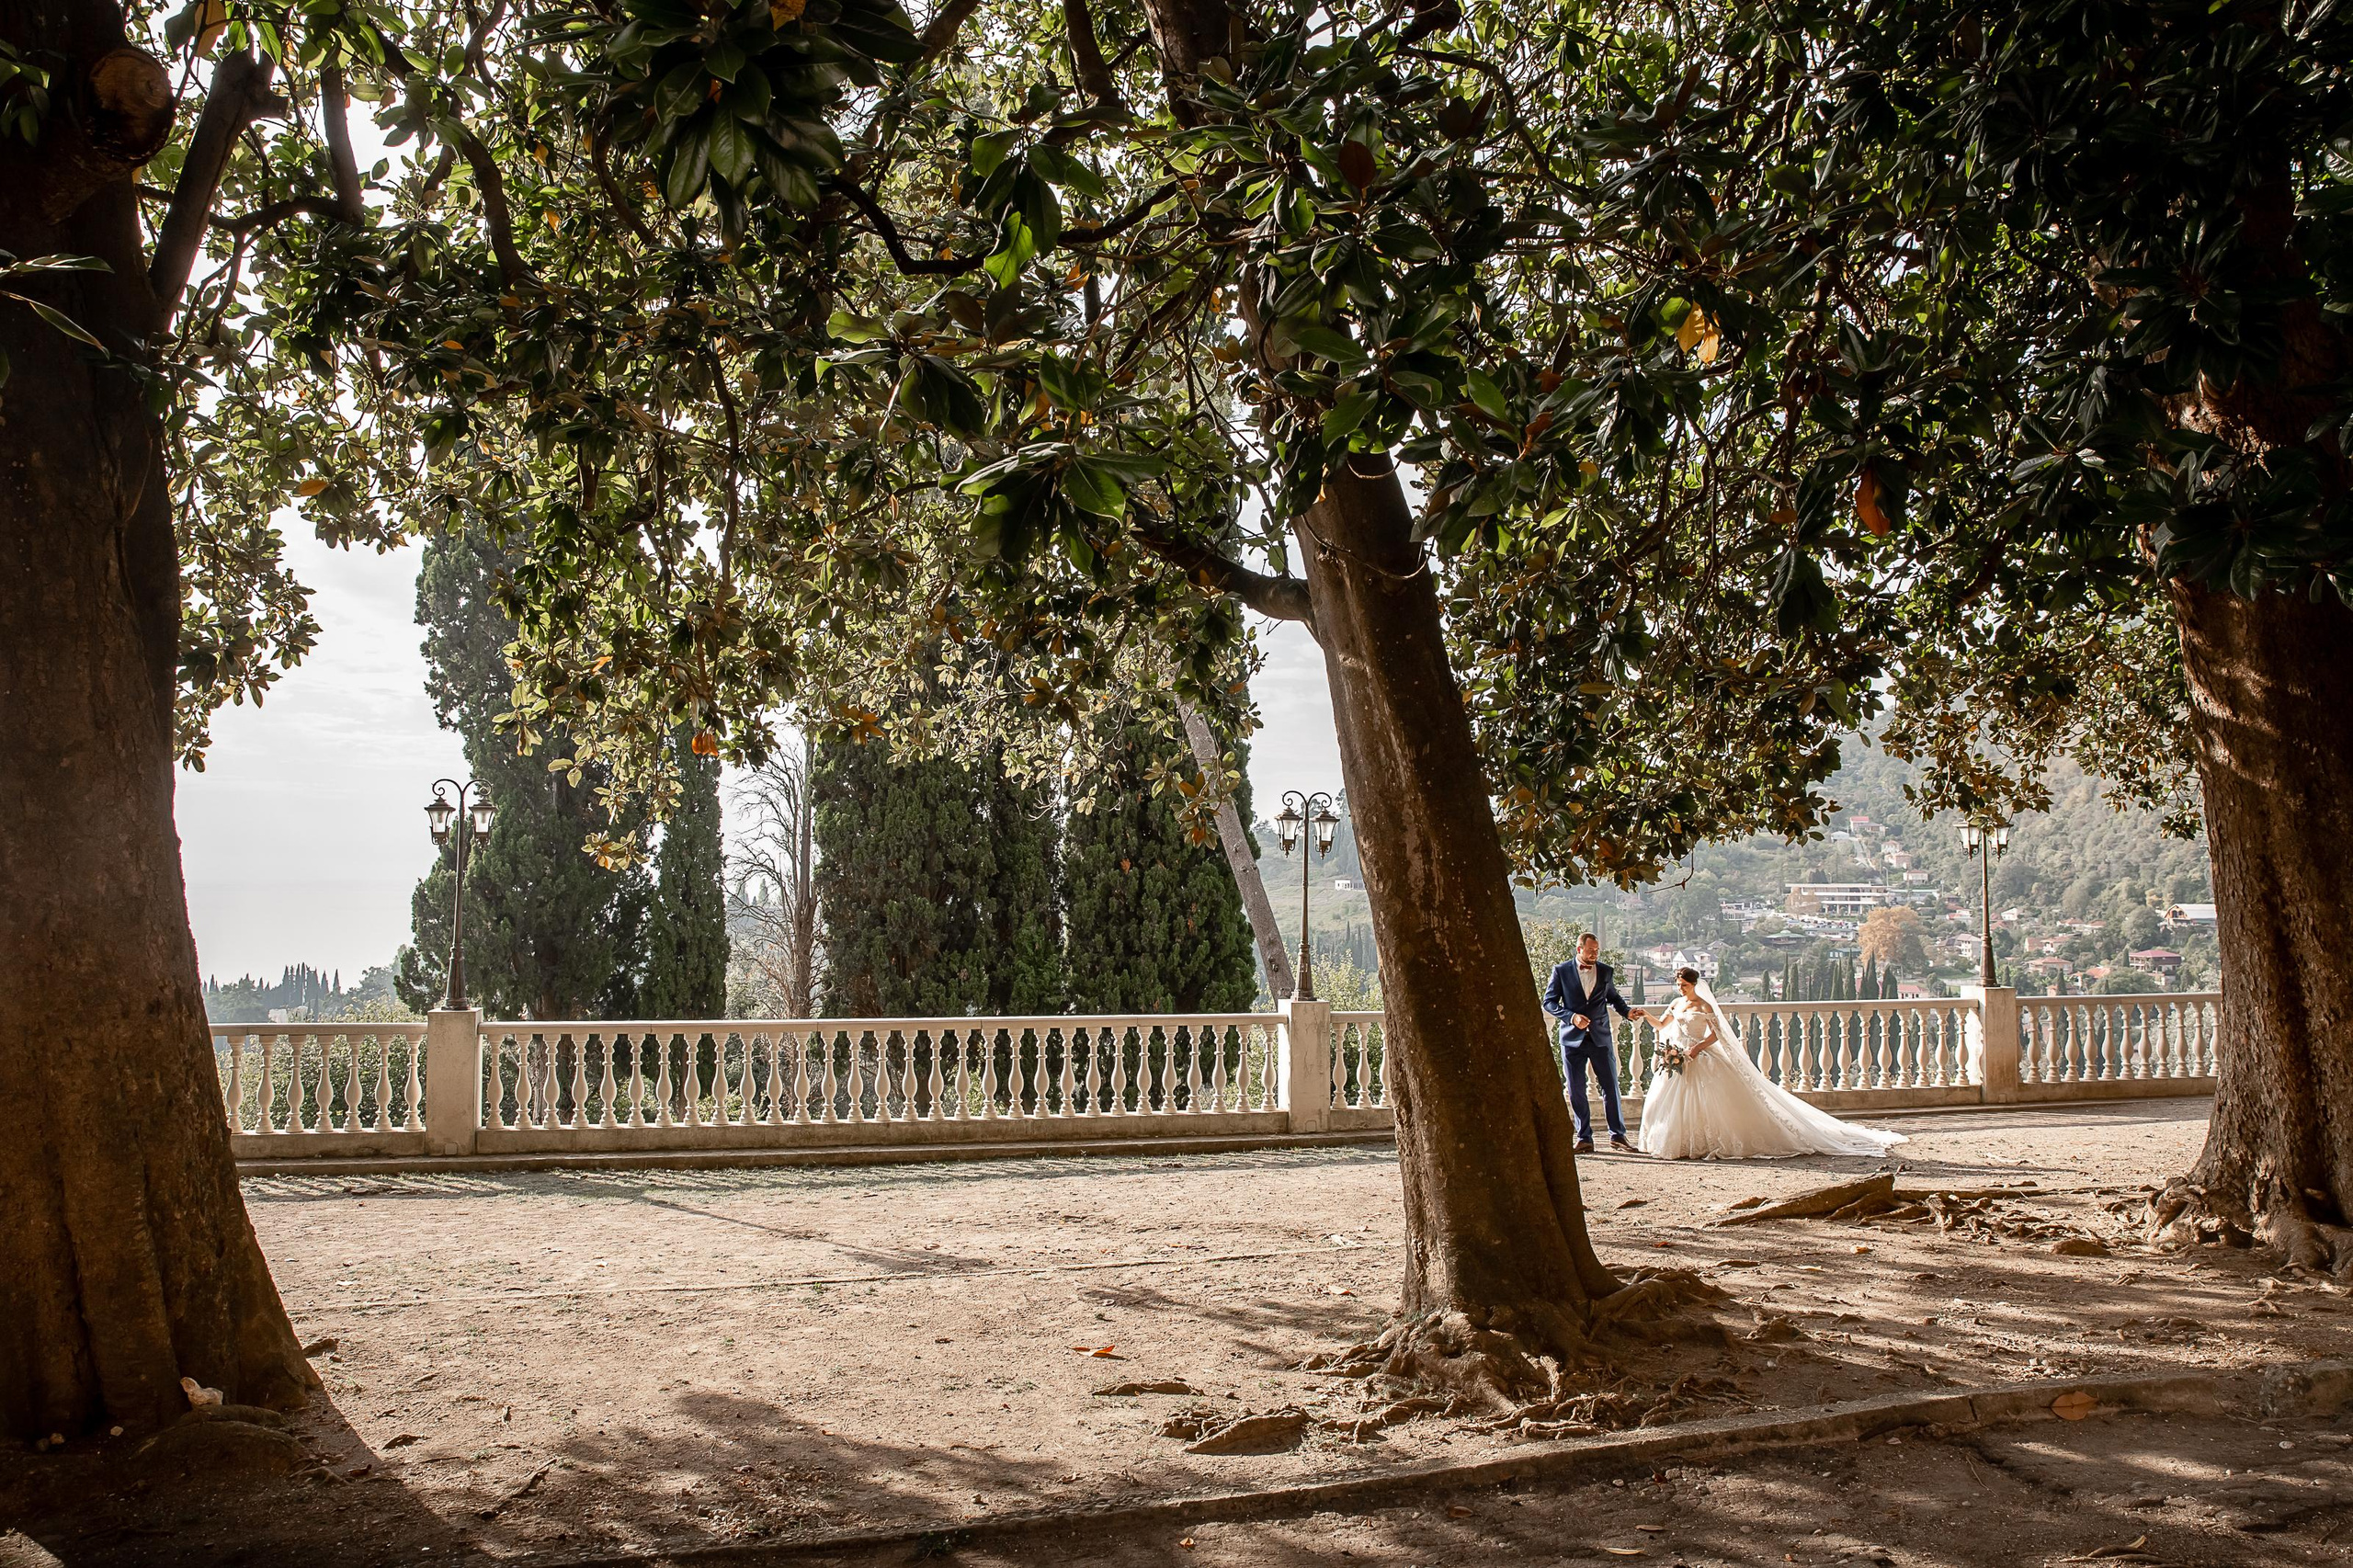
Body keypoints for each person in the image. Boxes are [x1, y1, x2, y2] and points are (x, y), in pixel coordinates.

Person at [1636, 967, 1908, 1159]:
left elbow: (1717, 1035)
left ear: (1695, 984)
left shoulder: (1704, 1006)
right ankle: (1680, 1143)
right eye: (1679, 985)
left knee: (1710, 1101)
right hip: (1679, 1056)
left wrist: (1697, 1048)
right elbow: (1661, 1025)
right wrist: (1646, 1015)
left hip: (1699, 1055)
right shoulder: (1675, 1003)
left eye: (1684, 985)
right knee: (1671, 1101)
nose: (1681, 989)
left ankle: (1703, 1144)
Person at [1541, 932, 1640, 1154]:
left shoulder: (1605, 971)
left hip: (1600, 1038)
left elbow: (1613, 998)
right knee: (1576, 1090)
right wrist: (1571, 1017)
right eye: (1590, 950)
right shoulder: (1561, 971)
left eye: (1597, 950)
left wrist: (1627, 1012)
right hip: (1571, 1039)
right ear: (1579, 949)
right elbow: (1549, 1002)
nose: (1594, 954)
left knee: (1611, 1087)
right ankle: (1584, 1137)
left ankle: (1618, 1136)